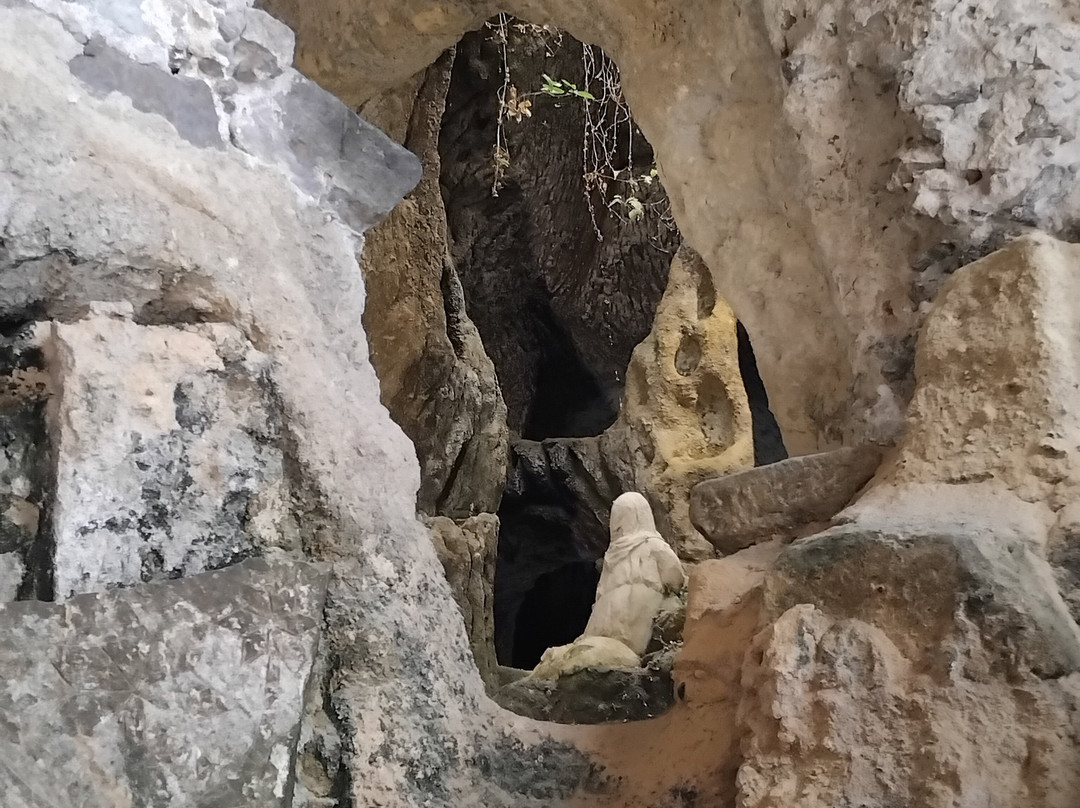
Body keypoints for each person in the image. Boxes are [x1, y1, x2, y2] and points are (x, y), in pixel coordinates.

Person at [531, 492, 685, 679]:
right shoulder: (641, 549)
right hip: (615, 636)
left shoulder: (640, 549)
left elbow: (675, 581)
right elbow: (675, 578)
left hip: (626, 639)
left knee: (570, 658)